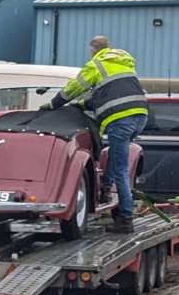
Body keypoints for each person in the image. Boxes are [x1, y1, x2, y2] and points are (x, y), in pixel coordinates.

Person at [44, 36, 149, 233]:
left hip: (121, 120)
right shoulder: (123, 63)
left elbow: (73, 89)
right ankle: (106, 188)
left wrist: (53, 104)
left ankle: (125, 220)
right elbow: (106, 94)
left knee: (120, 170)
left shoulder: (96, 65)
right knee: (116, 155)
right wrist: (82, 104)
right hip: (140, 116)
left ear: (93, 50)